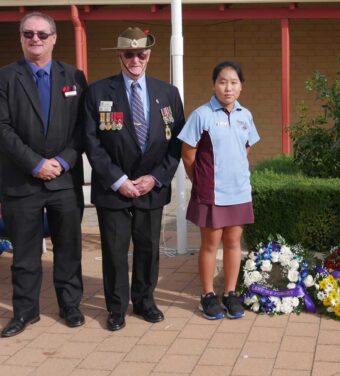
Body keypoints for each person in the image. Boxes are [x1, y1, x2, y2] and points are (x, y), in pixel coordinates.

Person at [83, 27, 184, 331]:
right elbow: (92, 143)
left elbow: (177, 142)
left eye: (142, 53)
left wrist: (155, 178)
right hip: (113, 189)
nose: (136, 59)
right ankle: (116, 308)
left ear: (149, 55)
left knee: (148, 249)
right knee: (114, 252)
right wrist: (119, 180)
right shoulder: (98, 92)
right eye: (130, 54)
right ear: (119, 56)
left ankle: (144, 301)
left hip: (150, 188)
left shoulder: (168, 93)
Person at [0, 12, 87, 337]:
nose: (35, 39)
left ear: (54, 38)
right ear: (21, 38)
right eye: (28, 34)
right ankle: (25, 312)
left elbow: (83, 127)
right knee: (24, 253)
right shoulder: (5, 78)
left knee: (68, 248)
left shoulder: (74, 77)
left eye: (41, 34)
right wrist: (36, 163)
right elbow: (3, 128)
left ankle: (70, 306)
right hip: (22, 182)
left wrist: (63, 161)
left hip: (64, 181)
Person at [178, 61, 260, 320]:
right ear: (214, 85)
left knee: (234, 243)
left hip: (239, 191)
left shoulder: (245, 115)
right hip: (212, 192)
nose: (228, 87)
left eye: (234, 82)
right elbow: (188, 154)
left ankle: (231, 293)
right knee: (210, 244)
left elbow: (246, 147)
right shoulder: (201, 115)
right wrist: (199, 179)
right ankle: (207, 295)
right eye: (223, 82)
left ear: (241, 87)